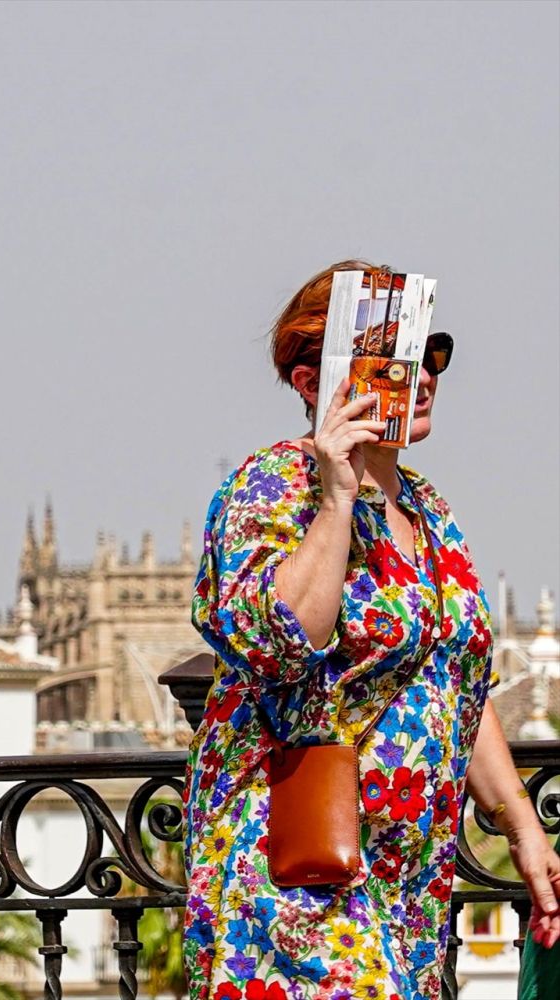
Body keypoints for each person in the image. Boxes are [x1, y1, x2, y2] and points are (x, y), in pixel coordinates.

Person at [183, 260, 560, 1000]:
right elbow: (278, 640)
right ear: (309, 381)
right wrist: (336, 498)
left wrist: (520, 825)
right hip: (298, 869)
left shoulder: (429, 510)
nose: (423, 377)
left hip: (407, 880)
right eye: (397, 359)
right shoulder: (272, 486)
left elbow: (454, 679)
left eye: (433, 354)